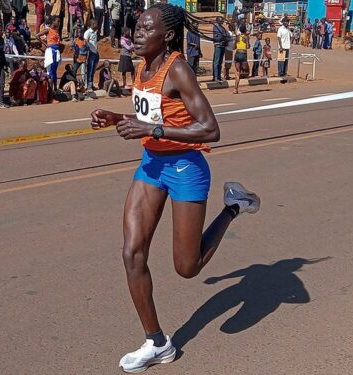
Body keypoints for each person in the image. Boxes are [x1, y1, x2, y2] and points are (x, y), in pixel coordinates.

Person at [90, 4, 260, 373]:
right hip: (151, 165)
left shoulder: (177, 69)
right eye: (136, 27)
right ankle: (157, 342)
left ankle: (233, 206)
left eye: (145, 28)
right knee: (132, 254)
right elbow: (155, 117)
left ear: (166, 35)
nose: (136, 33)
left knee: (187, 267)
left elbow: (210, 129)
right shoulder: (142, 66)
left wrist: (151, 131)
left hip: (185, 169)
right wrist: (118, 118)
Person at [36, 16, 63, 91]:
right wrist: (45, 44)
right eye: (58, 21)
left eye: (59, 22)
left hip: (57, 52)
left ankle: (55, 88)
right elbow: (37, 36)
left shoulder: (56, 30)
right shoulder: (48, 30)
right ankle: (50, 90)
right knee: (50, 71)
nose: (59, 23)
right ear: (53, 21)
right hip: (51, 52)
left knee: (54, 71)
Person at [232, 24, 249, 94]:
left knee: (237, 72)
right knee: (247, 71)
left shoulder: (237, 37)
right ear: (245, 30)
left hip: (237, 54)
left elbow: (233, 47)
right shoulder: (246, 37)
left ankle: (235, 89)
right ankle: (242, 75)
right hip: (243, 54)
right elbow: (247, 46)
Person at [83, 19, 99, 90]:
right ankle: (88, 86)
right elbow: (85, 42)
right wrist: (89, 51)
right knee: (89, 70)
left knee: (93, 70)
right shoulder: (87, 32)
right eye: (95, 23)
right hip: (90, 54)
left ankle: (91, 84)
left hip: (95, 53)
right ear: (92, 24)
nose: (97, 25)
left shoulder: (95, 32)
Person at [212, 16, 227, 82]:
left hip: (223, 45)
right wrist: (223, 37)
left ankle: (219, 76)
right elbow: (217, 37)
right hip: (218, 46)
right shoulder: (216, 27)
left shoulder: (222, 28)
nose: (222, 21)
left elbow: (225, 35)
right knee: (216, 62)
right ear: (218, 20)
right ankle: (215, 77)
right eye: (221, 20)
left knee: (220, 62)